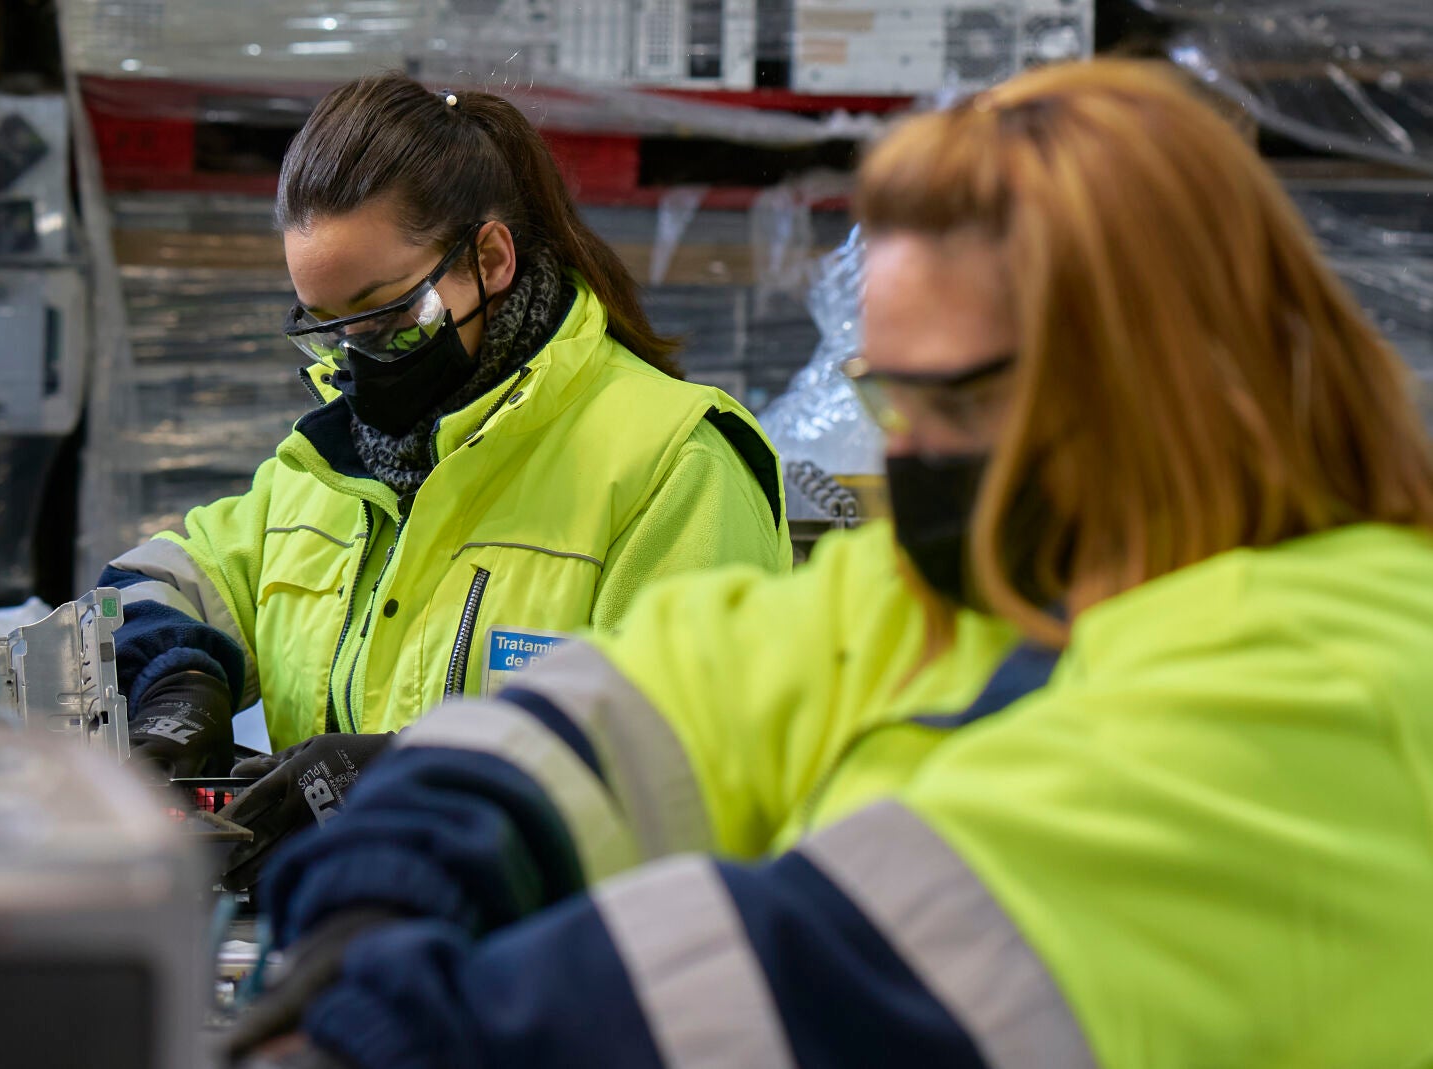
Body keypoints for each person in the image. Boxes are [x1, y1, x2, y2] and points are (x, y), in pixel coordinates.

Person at [231, 58, 1433, 1068]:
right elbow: (658, 702)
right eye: (887, 397)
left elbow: (840, 971)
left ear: (1163, 371)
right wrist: (393, 864)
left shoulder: (1330, 688)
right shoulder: (986, 584)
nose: (906, 455)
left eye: (955, 402)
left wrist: (390, 1028)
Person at [100, 74, 788, 887]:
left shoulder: (674, 463)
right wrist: (175, 680)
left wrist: (417, 785)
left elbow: (704, 772)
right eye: (329, 329)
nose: (358, 360)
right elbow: (151, 583)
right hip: (354, 934)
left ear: (490, 259)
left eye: (389, 317)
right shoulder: (330, 469)